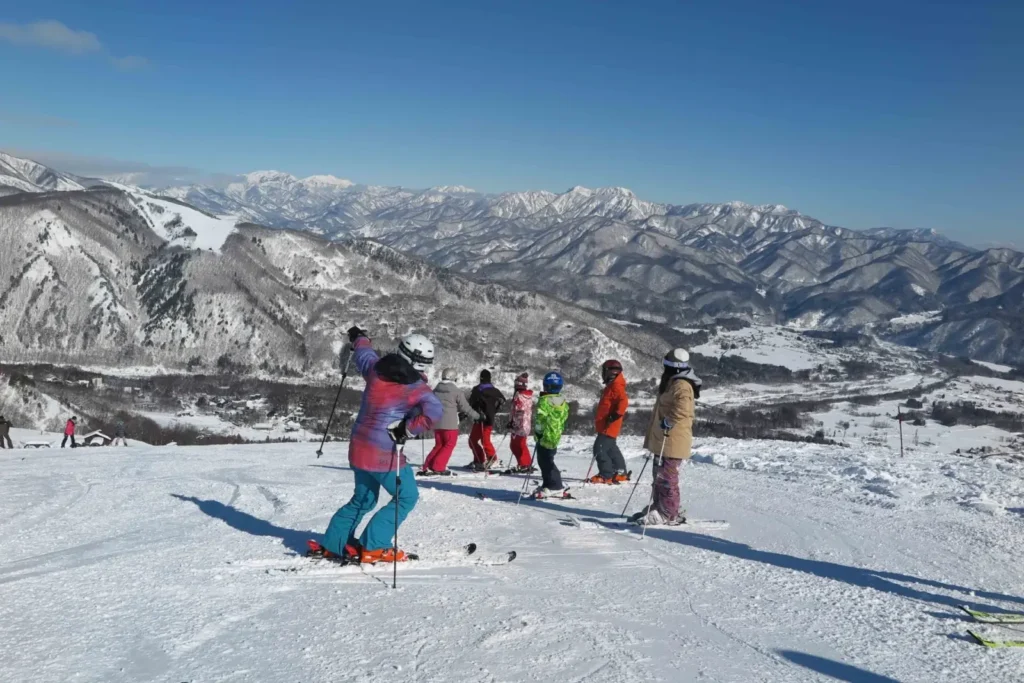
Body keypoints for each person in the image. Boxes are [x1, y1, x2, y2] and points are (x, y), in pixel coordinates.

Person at [319, 327, 443, 564]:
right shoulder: (418, 388)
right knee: (406, 496)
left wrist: (359, 337)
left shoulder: (377, 369)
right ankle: (374, 545)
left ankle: (334, 543)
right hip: (384, 454)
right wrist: (406, 429)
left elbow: (363, 353)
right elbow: (435, 413)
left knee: (363, 499)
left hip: (358, 447)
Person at [631, 349, 702, 526]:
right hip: (664, 439)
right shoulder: (673, 382)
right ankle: (659, 506)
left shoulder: (682, 385)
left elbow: (684, 409)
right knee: (659, 476)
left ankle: (669, 513)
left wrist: (669, 421)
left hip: (673, 440)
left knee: (667, 478)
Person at [420, 368, 479, 476]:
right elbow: (465, 407)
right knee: (449, 444)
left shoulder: (436, 390)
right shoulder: (456, 391)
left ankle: (428, 465)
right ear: (453, 378)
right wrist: (477, 416)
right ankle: (438, 467)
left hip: (436, 422)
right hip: (450, 424)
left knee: (439, 445)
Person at [589, 359, 630, 484]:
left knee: (599, 448)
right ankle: (620, 472)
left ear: (609, 372)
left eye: (604, 371)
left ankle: (606, 474)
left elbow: (623, 401)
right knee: (611, 448)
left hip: (609, 424)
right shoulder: (612, 386)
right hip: (607, 424)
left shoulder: (616, 386)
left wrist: (616, 415)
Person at [532, 371, 570, 499]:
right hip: (554, 436)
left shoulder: (544, 400)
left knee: (545, 462)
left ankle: (555, 486)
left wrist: (538, 432)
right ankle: (548, 483)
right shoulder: (562, 401)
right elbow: (564, 418)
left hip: (544, 436)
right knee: (547, 460)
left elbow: (540, 419)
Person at [468, 369, 506, 470]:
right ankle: (489, 459)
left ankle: (484, 460)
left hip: (479, 419)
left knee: (473, 440)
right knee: (485, 440)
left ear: (480, 378)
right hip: (489, 419)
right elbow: (502, 402)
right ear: (490, 379)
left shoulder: (477, 390)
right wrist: (493, 411)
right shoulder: (496, 391)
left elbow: (471, 403)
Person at [506, 373, 534, 473]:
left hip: (519, 425)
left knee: (516, 445)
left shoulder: (519, 396)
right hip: (526, 424)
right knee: (520, 444)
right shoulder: (528, 396)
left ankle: (524, 464)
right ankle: (524, 463)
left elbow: (518, 411)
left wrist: (512, 422)